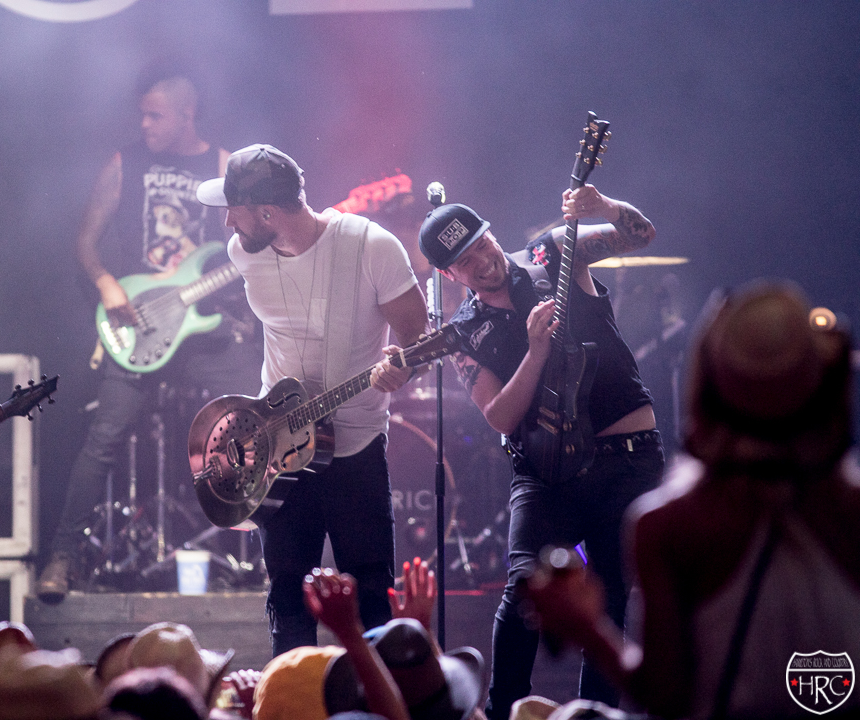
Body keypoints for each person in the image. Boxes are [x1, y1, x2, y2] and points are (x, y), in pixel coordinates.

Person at [525, 281, 860, 719]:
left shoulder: (668, 524)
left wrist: (586, 627)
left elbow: (665, 697)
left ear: (707, 383)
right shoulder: (851, 509)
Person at [411, 186, 663, 717]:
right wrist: (535, 351)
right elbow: (499, 416)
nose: (482, 261)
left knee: (610, 598)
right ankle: (503, 711)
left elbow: (642, 234)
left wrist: (604, 207)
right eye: (465, 261)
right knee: (523, 587)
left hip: (626, 455)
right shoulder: (465, 332)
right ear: (449, 275)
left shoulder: (555, 252)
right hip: (545, 470)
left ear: (491, 232)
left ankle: (595, 715)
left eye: (482, 244)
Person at [197, 144, 429, 655]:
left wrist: (402, 367)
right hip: (275, 442)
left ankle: (377, 694)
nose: (227, 222)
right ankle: (288, 691)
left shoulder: (371, 247)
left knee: (371, 593)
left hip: (354, 444)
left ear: (267, 213)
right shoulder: (243, 251)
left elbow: (418, 340)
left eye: (234, 210)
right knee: (286, 595)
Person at [38, 73, 259, 599]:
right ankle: (62, 558)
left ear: (187, 114)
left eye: (155, 115)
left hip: (203, 326)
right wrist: (106, 282)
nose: (144, 125)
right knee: (103, 440)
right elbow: (85, 243)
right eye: (142, 114)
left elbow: (250, 242)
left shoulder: (225, 167)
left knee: (259, 420)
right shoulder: (125, 163)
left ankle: (280, 555)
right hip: (142, 322)